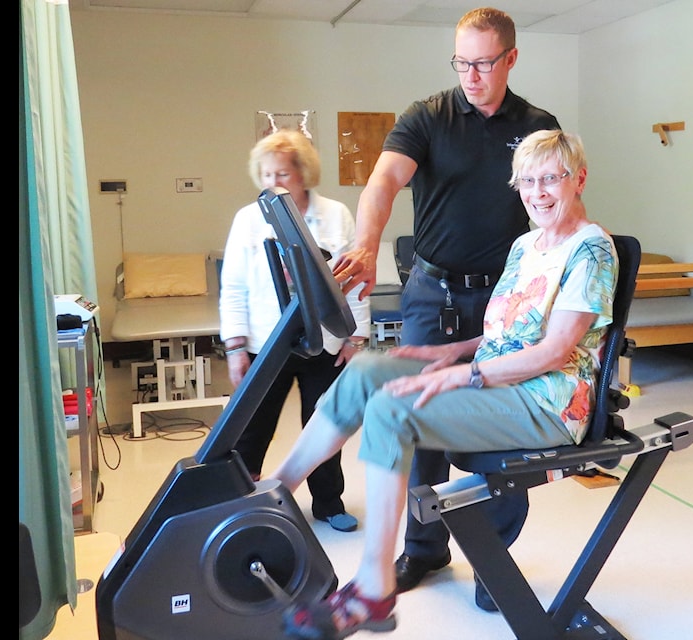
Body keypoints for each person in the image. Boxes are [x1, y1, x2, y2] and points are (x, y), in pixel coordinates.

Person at [275, 129, 618, 638]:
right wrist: (451, 351)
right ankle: (277, 492)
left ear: (578, 180)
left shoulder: (592, 250)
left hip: (547, 401)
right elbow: (507, 332)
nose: (537, 192)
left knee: (394, 410)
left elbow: (553, 351)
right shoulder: (526, 245)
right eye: (527, 181)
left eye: (551, 179)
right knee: (368, 369)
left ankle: (372, 587)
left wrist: (466, 373)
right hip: (500, 379)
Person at [330, 7, 561, 608]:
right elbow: (382, 183)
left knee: (503, 427)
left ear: (510, 59)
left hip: (501, 299)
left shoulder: (536, 125)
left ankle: (492, 559)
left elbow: (554, 199)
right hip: (432, 294)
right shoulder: (426, 117)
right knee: (419, 421)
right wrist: (366, 241)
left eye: (483, 63)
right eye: (462, 62)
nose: (471, 75)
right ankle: (424, 548)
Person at [219, 129, 371, 532]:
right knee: (252, 428)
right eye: (266, 175)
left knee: (324, 423)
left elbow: (354, 279)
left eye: (282, 174)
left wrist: (356, 338)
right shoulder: (248, 219)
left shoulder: (336, 214)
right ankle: (241, 501)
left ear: (303, 174)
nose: (273, 183)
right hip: (267, 342)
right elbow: (232, 285)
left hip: (325, 340)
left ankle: (327, 504)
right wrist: (235, 347)